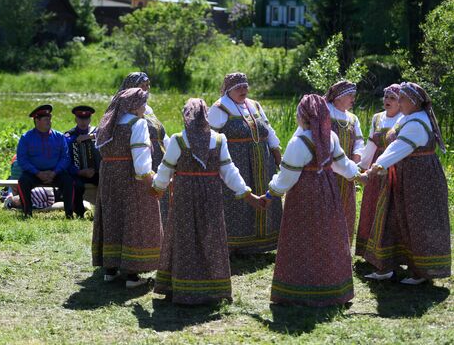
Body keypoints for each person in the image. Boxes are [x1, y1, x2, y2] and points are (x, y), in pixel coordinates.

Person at [152, 98, 263, 305]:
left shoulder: (178, 140)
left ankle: (181, 286)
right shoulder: (218, 140)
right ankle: (213, 288)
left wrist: (158, 188)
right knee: (210, 236)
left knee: (185, 236)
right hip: (211, 196)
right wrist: (246, 193)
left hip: (185, 196)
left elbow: (165, 170)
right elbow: (229, 172)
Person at [262, 94, 363, 307]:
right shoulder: (331, 137)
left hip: (304, 196)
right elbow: (343, 165)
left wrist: (271, 193)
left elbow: (287, 177)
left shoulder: (298, 142)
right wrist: (358, 174)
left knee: (302, 236)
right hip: (328, 192)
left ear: (304, 116)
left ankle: (300, 290)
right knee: (327, 234)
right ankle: (332, 288)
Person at [363, 82, 450, 284]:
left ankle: (421, 271)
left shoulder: (417, 123)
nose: (398, 102)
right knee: (391, 217)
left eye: (401, 98)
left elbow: (397, 149)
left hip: (419, 179)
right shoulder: (409, 117)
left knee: (418, 220)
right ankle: (386, 265)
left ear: (412, 101)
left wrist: (373, 170)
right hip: (403, 176)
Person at [92, 88, 162, 288]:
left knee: (113, 216)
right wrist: (150, 181)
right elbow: (140, 158)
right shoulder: (137, 124)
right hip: (131, 177)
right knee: (134, 218)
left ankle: (110, 270)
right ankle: (132, 275)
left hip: (109, 177)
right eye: (142, 104)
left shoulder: (107, 124)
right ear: (133, 105)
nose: (144, 108)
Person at [208, 73, 282, 255]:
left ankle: (263, 243)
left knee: (265, 195)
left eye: (245, 86)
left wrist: (278, 156)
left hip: (263, 164)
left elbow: (269, 131)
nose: (244, 90)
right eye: (239, 87)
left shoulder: (254, 105)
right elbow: (209, 138)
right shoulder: (220, 108)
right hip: (236, 164)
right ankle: (235, 245)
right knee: (237, 201)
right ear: (229, 90)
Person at [355, 85, 403, 257]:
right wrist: (362, 167)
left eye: (392, 98)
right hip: (376, 165)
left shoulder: (403, 119)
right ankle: (368, 248)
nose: (387, 101)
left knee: (391, 207)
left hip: (395, 165)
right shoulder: (377, 118)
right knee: (372, 203)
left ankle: (391, 252)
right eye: (386, 97)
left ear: (400, 102)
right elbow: (370, 144)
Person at [118, 72, 171, 224]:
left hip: (158, 158)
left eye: (148, 86)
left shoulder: (148, 109)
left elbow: (162, 135)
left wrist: (173, 155)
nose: (146, 89)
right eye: (142, 86)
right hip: (142, 160)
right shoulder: (125, 110)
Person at [16, 104, 75, 219]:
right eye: (46, 119)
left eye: (49, 119)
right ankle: (27, 213)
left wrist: (55, 172)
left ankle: (69, 214)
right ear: (37, 121)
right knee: (23, 182)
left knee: (69, 182)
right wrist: (37, 173)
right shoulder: (26, 137)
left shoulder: (59, 136)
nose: (49, 122)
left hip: (55, 173)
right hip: (34, 173)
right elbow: (22, 159)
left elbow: (65, 157)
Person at [325, 80, 365, 243]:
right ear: (338, 97)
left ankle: (342, 242)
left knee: (345, 205)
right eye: (350, 96)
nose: (352, 100)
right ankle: (325, 241)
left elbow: (359, 142)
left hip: (347, 170)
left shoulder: (353, 118)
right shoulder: (325, 113)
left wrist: (354, 165)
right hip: (327, 169)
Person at [65, 105, 101, 218]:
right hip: (78, 173)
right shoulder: (69, 136)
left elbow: (108, 137)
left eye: (86, 118)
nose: (83, 121)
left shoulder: (97, 133)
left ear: (90, 119)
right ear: (76, 119)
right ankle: (80, 213)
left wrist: (88, 136)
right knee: (77, 185)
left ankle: (103, 213)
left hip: (95, 172)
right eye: (80, 118)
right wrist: (80, 172)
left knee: (106, 183)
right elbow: (66, 160)